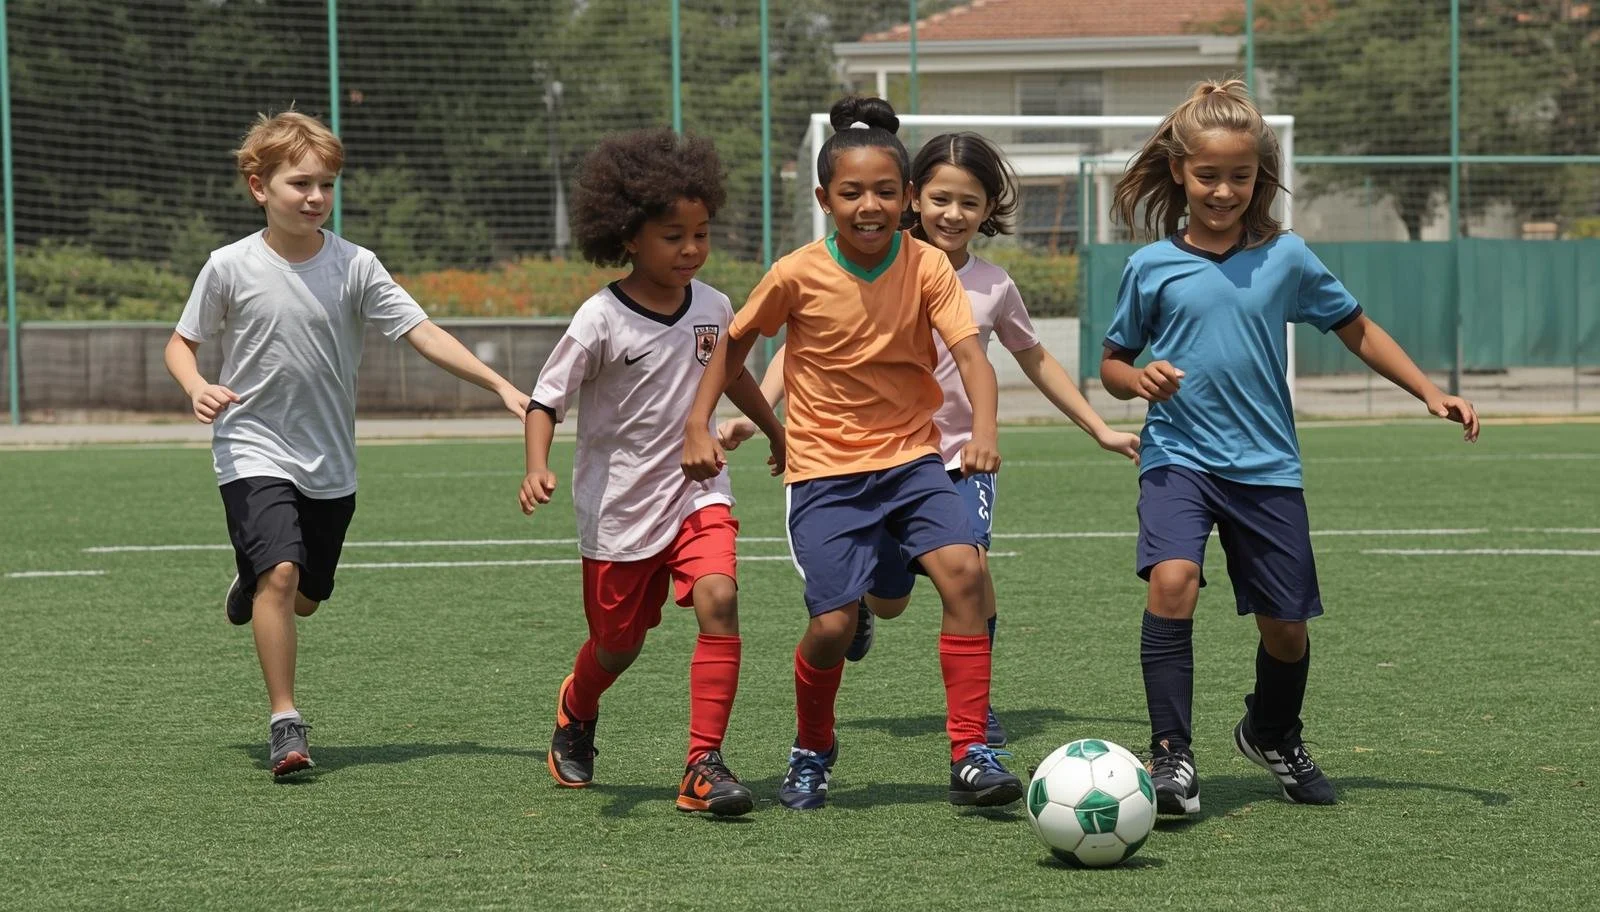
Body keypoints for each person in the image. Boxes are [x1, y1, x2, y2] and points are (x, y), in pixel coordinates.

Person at [1100, 79, 1480, 814]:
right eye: (1208, 175)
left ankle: (1271, 731)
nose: (1223, 190)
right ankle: (1171, 755)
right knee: (1171, 583)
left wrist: (1428, 391)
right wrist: (1136, 379)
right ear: (1179, 171)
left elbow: (1356, 327)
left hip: (1267, 466)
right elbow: (1113, 362)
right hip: (1179, 456)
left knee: (1287, 630)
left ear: (1260, 178)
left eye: (1240, 176)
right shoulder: (1151, 266)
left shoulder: (1286, 256)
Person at [717, 132, 1140, 748]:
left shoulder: (993, 285)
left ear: (988, 210)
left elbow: (1034, 358)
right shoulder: (872, 260)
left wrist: (1098, 426)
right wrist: (758, 416)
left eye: (970, 202)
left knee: (971, 569)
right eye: (941, 199)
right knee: (891, 601)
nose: (953, 214)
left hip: (962, 458)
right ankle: (860, 602)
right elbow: (800, 351)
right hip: (867, 457)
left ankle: (976, 718)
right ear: (916, 200)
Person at [683, 96, 1024, 811]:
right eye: (850, 193)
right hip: (825, 472)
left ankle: (970, 752)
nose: (868, 206)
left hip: (913, 461)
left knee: (965, 573)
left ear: (905, 199)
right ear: (823, 199)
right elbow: (734, 346)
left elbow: (971, 356)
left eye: (882, 192)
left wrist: (985, 430)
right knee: (833, 626)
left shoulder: (929, 267)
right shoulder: (795, 273)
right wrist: (699, 420)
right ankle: (812, 745)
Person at [164, 110, 529, 777]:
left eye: (326, 185)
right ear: (258, 187)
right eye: (300, 183)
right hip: (251, 447)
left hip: (330, 462)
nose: (315, 197)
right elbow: (181, 343)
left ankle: (253, 580)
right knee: (281, 574)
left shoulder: (356, 266)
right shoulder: (228, 267)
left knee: (305, 594)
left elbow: (423, 332)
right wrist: (195, 385)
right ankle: (285, 721)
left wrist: (500, 387)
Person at [522, 128, 784, 817]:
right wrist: (536, 466)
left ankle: (704, 765)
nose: (692, 249)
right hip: (617, 509)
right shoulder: (600, 318)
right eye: (674, 235)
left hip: (697, 491)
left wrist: (779, 431)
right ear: (629, 235)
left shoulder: (715, 307)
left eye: (700, 234)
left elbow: (734, 375)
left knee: (720, 599)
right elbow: (545, 398)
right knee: (617, 645)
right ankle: (576, 708)